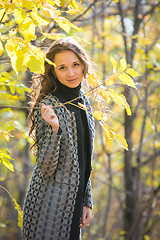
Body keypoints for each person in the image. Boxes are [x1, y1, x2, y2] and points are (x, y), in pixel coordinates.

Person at [22, 37, 95, 240]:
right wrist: (55, 129)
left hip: (74, 203)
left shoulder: (84, 103)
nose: (71, 73)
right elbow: (46, 167)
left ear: (83, 65)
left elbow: (84, 158)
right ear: (53, 71)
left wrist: (86, 200)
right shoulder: (49, 106)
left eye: (75, 65)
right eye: (62, 67)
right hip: (48, 208)